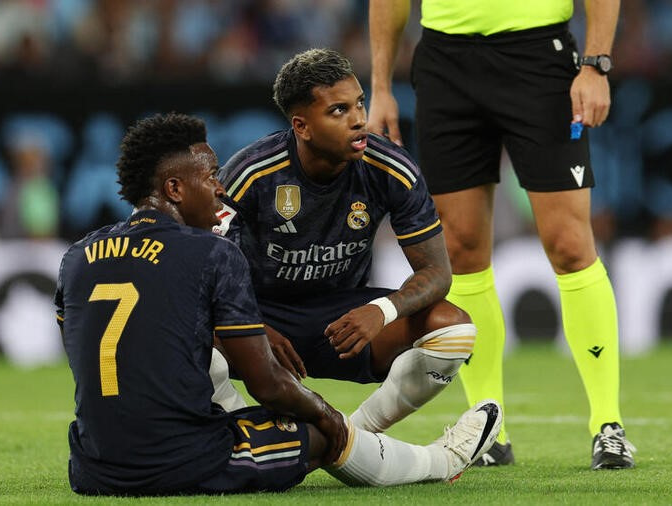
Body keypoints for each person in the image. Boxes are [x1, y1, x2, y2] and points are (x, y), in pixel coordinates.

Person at [54, 112, 502, 496]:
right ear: (173, 188)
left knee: (198, 356)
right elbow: (268, 384)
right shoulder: (210, 252)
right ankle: (443, 461)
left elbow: (82, 350)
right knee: (319, 435)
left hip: (91, 466)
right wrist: (328, 417)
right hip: (182, 460)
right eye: (210, 176)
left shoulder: (76, 257)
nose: (219, 189)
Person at [367, 0, 635, 470]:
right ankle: (489, 431)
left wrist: (596, 64)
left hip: (538, 57)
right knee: (461, 248)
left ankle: (607, 425)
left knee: (570, 245)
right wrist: (381, 84)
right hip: (445, 63)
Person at [215, 48, 477, 437]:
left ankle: (351, 438)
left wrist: (382, 311)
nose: (358, 120)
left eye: (359, 104)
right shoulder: (251, 173)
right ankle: (247, 437)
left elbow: (437, 273)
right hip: (258, 315)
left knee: (453, 329)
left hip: (340, 320)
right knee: (184, 329)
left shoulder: (393, 169)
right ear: (301, 126)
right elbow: (204, 275)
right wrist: (250, 326)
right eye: (338, 111)